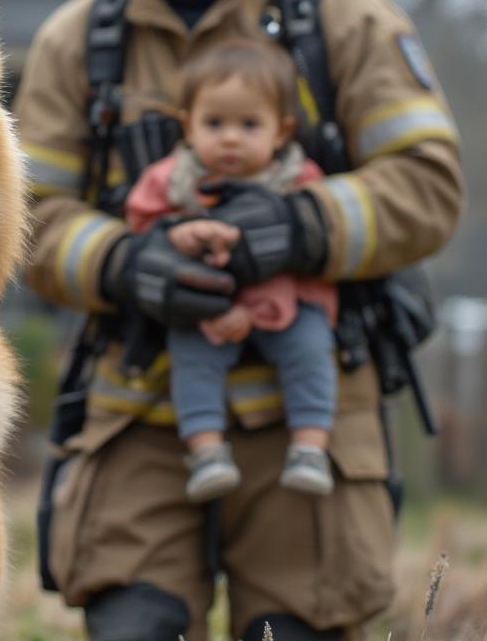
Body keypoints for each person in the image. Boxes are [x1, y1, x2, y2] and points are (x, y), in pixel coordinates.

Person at [13, 0, 463, 641]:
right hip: (139, 409)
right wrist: (126, 265)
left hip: (308, 416)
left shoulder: (338, 17)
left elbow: (429, 182)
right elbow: (23, 216)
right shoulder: (72, 47)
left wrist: (295, 229)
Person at [125, 38, 338, 502]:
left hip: (284, 304)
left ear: (281, 132)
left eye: (249, 124)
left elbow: (326, 227)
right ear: (188, 126)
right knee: (190, 357)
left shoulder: (300, 178)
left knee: (311, 348)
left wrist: (293, 228)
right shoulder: (172, 178)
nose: (230, 137)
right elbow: (140, 220)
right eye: (214, 123)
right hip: (203, 306)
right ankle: (205, 451)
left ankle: (310, 446)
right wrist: (173, 234)